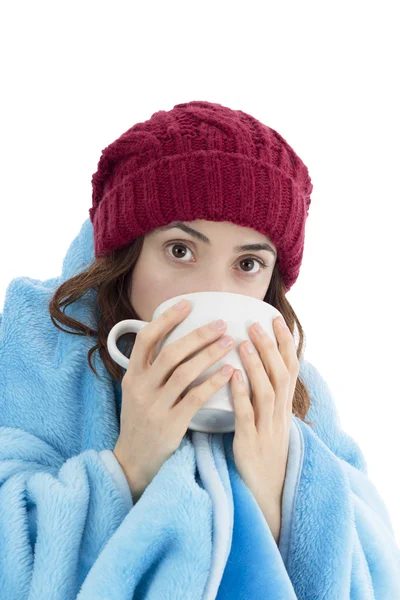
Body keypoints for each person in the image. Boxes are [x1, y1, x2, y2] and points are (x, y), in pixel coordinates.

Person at [1, 100, 399, 599]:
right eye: (181, 250)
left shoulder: (294, 387)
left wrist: (279, 483)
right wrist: (129, 466)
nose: (216, 298)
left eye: (249, 263)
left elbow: (378, 573)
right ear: (127, 254)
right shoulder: (41, 346)